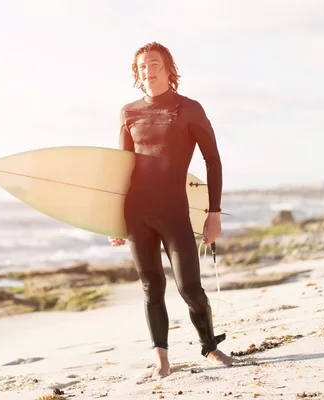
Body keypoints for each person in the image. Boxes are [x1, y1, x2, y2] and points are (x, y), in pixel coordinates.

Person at [108, 41, 233, 377]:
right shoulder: (128, 112)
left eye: (154, 64)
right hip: (137, 213)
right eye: (142, 66)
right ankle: (162, 359)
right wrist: (113, 219)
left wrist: (214, 212)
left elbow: (212, 160)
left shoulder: (188, 109)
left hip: (175, 210)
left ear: (168, 69)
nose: (147, 71)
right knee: (151, 286)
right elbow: (123, 168)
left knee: (189, 286)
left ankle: (209, 346)